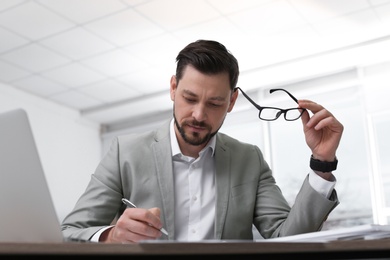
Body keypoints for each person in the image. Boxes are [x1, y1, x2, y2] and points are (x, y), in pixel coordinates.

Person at [61, 39, 344, 243]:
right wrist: (110, 236)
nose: (198, 114)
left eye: (215, 103)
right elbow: (70, 233)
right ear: (173, 88)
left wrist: (321, 164)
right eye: (190, 98)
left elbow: (288, 239)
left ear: (232, 101)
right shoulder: (125, 152)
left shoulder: (250, 160)